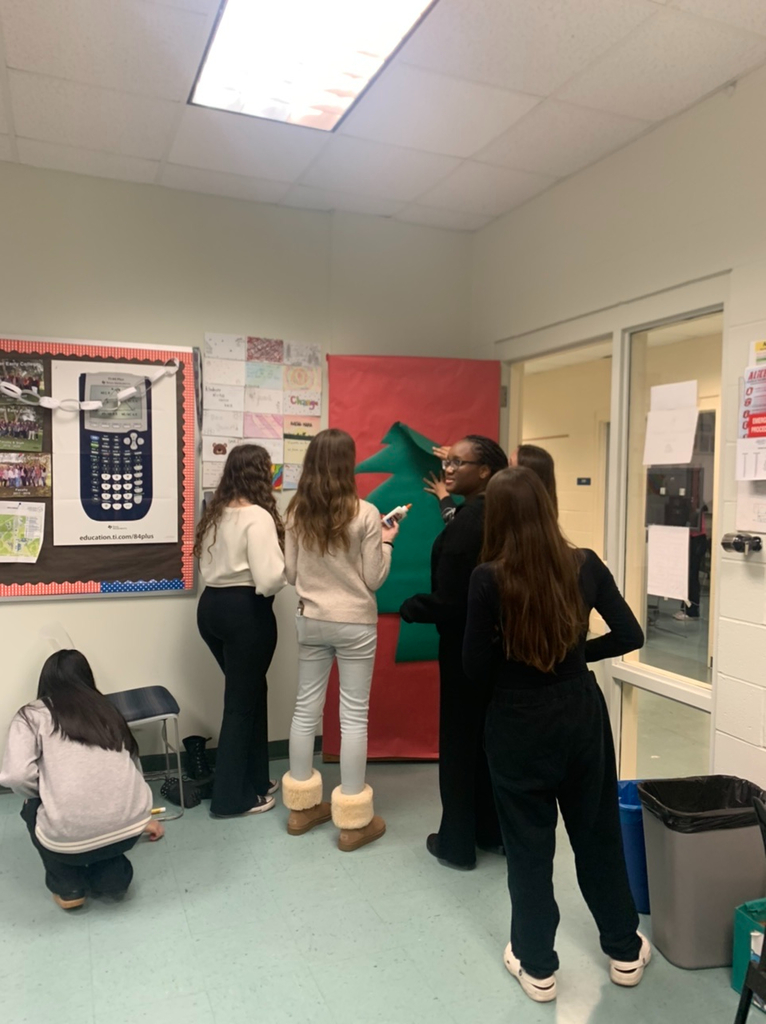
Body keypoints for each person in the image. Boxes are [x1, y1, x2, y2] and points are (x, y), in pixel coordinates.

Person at [463, 467, 649, 1002]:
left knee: (527, 843)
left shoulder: (488, 578)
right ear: (548, 508)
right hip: (578, 710)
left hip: (517, 719)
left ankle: (537, 965)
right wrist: (571, 658)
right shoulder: (585, 563)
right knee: (597, 833)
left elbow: (474, 669)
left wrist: (523, 666)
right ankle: (623, 950)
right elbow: (629, 633)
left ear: (496, 517)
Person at [281, 429, 398, 852]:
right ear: (348, 465)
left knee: (305, 709)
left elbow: (290, 575)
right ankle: (352, 820)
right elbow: (373, 579)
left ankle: (301, 807)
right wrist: (386, 542)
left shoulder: (296, 512)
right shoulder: (367, 513)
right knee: (353, 717)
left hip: (311, 619)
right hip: (355, 624)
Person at [400, 435, 508, 869]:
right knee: (487, 743)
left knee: (460, 744)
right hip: (498, 648)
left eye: (457, 462)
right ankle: (491, 831)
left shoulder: (467, 525)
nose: (448, 468)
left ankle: (457, 843)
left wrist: (412, 607)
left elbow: (454, 600)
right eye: (446, 461)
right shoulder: (501, 514)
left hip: (465, 648)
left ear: (484, 471)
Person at [0, 649, 163, 910]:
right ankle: (113, 880)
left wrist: (44, 793)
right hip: (130, 827)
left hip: (66, 839)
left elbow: (14, 776)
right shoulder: (107, 709)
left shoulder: (30, 716)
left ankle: (68, 887)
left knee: (31, 805)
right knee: (110, 868)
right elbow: (128, 769)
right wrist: (142, 820)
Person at [194, 443, 286, 818]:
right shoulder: (258, 516)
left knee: (251, 692)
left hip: (211, 609)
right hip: (246, 612)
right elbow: (269, 579)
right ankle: (231, 799)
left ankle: (257, 779)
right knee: (239, 705)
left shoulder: (215, 513)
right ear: (258, 474)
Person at [425, 442, 557, 521]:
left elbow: (454, 519)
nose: (503, 470)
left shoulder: (503, 507)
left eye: (509, 465)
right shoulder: (544, 511)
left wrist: (443, 495)